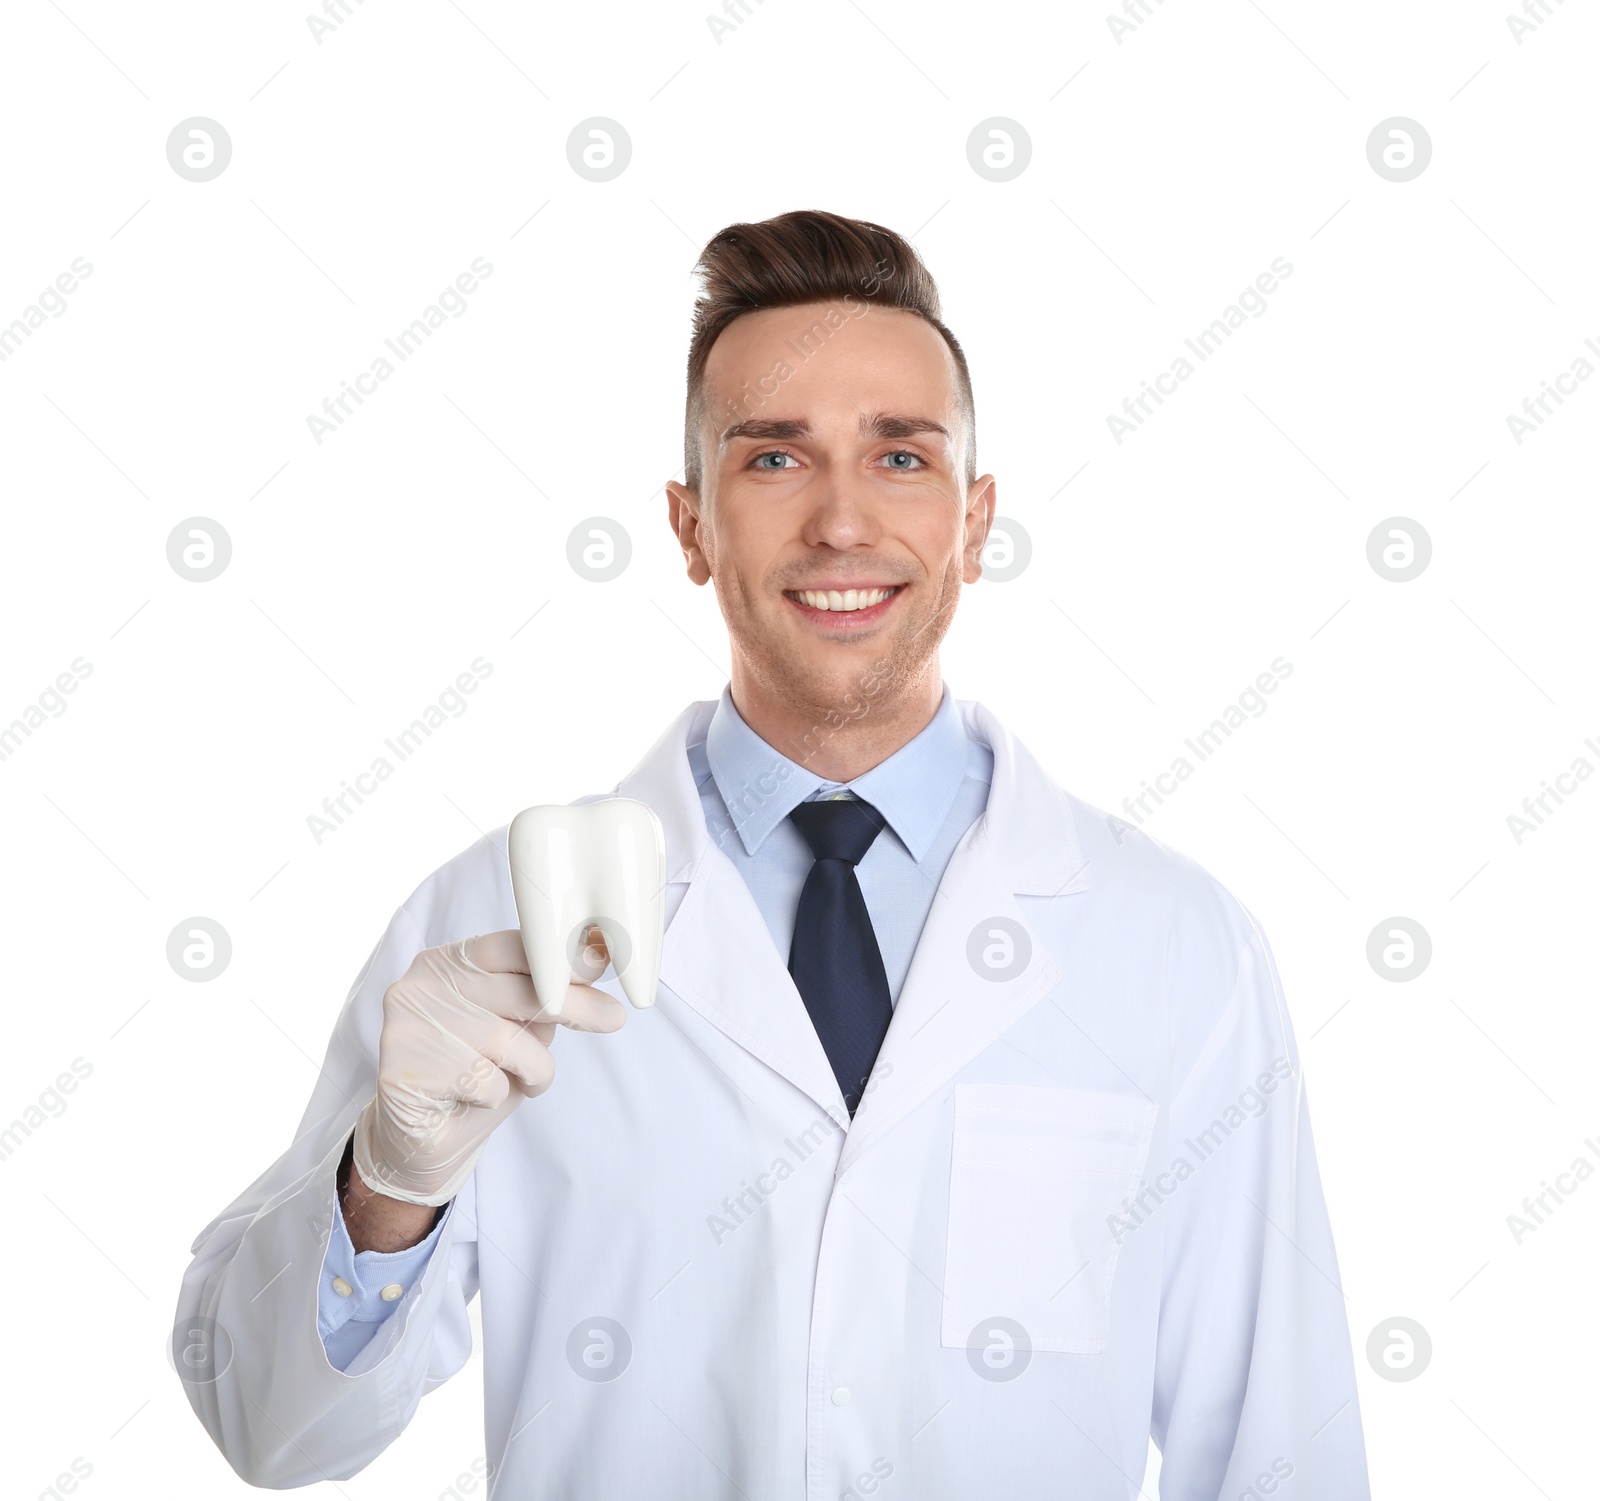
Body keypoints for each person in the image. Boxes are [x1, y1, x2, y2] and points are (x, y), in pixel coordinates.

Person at [174, 209, 1370, 1498]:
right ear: (690, 526)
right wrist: (388, 1185)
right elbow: (270, 1429)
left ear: (976, 521)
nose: (844, 523)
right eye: (776, 460)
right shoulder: (489, 924)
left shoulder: (1175, 946)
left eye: (902, 457)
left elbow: (1276, 1446)